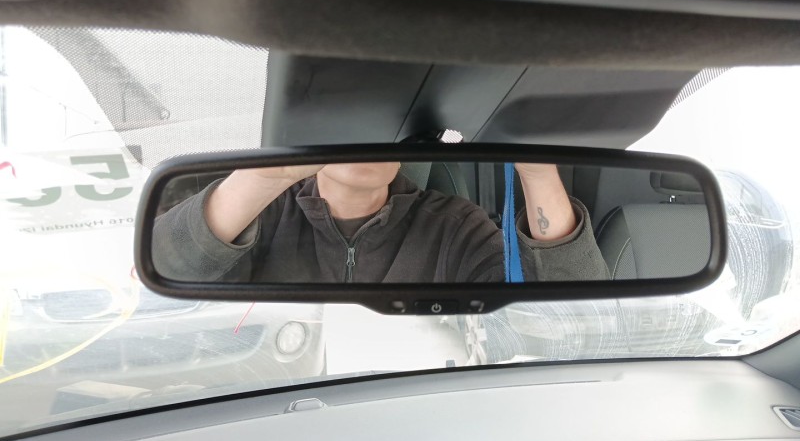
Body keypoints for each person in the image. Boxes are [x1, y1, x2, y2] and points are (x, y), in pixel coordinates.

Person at [153, 162, 608, 283]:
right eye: (343, 118)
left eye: (384, 123)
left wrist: (537, 171)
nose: (364, 136)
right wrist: (270, 173)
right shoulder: (259, 213)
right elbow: (161, 269)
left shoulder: (455, 226)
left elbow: (574, 315)